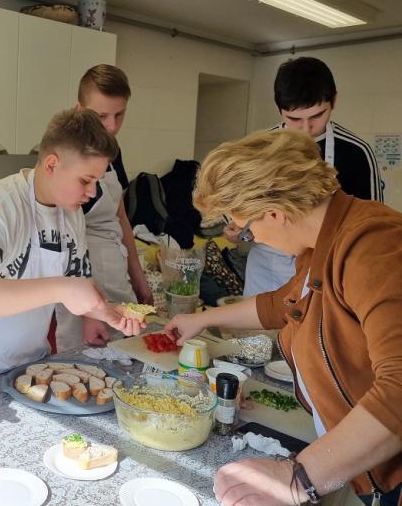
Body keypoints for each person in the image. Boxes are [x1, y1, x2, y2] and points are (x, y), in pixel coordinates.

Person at [166, 130, 402, 506]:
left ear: (275, 212)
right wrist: (202, 318)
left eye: (247, 228)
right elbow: (284, 304)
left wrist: (299, 478)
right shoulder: (321, 244)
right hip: (359, 461)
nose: (252, 238)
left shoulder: (372, 245)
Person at [0, 109, 144, 393]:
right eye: (85, 180)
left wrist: (101, 314)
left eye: (97, 182)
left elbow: (77, 277)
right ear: (52, 164)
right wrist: (62, 289)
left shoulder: (72, 215)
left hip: (27, 367)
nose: (92, 192)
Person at [228, 56, 384, 296]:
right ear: (279, 109)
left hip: (326, 267)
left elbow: (373, 227)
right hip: (267, 265)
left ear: (334, 101)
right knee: (259, 330)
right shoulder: (260, 149)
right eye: (294, 119)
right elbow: (243, 207)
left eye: (316, 116)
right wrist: (237, 227)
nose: (306, 128)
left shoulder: (355, 152)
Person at [55, 65, 153, 351]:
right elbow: (64, 241)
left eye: (119, 114)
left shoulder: (112, 150)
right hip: (84, 288)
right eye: (101, 116)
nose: (111, 126)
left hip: (115, 275)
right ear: (79, 109)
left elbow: (119, 213)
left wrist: (137, 275)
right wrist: (90, 311)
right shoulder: (68, 159)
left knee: (126, 357)